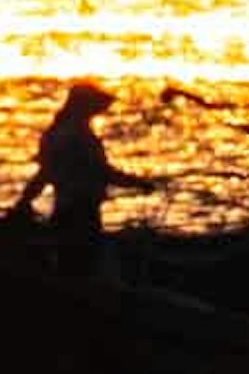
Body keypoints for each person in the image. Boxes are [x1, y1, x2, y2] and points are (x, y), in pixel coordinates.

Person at [15, 80, 154, 271]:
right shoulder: (77, 135)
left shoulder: (58, 132)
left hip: (66, 209)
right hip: (81, 213)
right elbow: (102, 172)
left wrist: (23, 202)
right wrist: (137, 183)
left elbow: (44, 175)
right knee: (82, 265)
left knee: (69, 265)